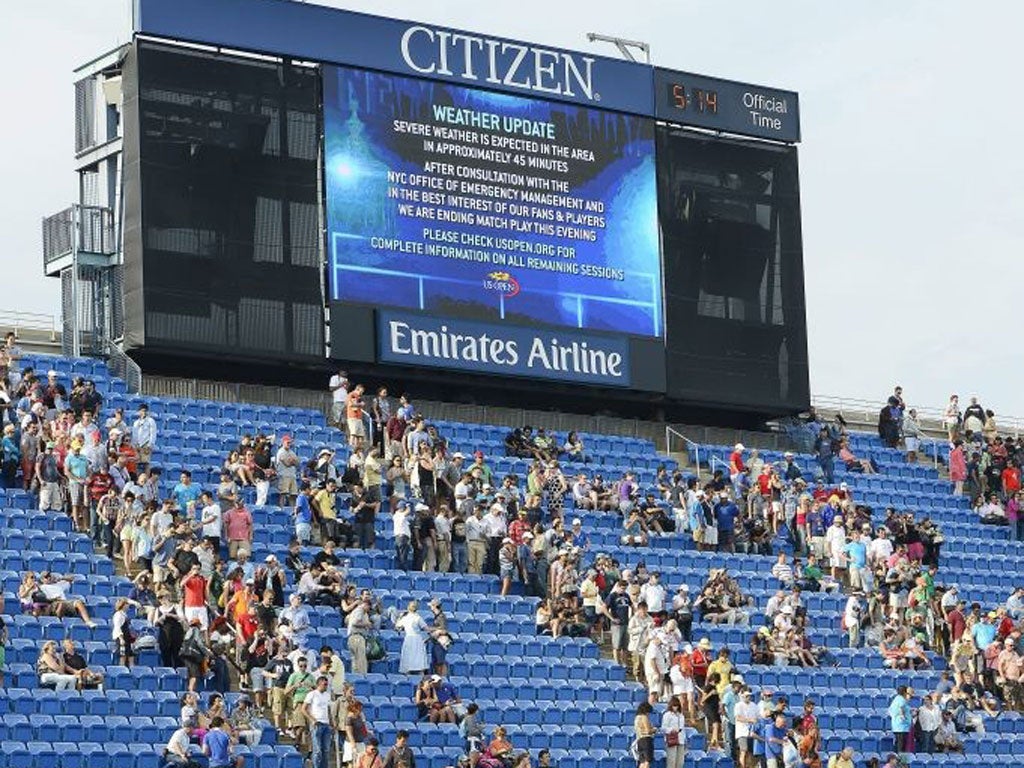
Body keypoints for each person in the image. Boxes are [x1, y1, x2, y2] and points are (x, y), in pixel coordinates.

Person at [304, 675, 334, 768]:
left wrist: (332, 723)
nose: (326, 686)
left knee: (326, 749)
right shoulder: (312, 694)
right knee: (317, 750)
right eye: (324, 684)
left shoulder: (327, 695)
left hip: (326, 724)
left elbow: (328, 710)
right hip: (317, 724)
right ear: (319, 684)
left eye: (327, 684)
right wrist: (313, 720)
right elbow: (303, 709)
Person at [396, 600, 430, 675]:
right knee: (419, 658)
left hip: (409, 638)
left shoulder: (405, 618)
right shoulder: (418, 618)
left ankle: (408, 675)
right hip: (417, 639)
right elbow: (426, 628)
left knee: (409, 656)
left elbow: (397, 626)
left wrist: (400, 617)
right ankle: (421, 675)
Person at [661, 696, 687, 768]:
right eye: (674, 706)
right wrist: (672, 730)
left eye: (677, 706)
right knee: (671, 761)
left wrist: (685, 739)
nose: (675, 707)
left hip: (681, 739)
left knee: (680, 762)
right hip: (671, 739)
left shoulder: (681, 715)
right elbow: (663, 728)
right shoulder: (667, 715)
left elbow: (683, 728)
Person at [888, 685, 912, 754]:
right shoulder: (902, 700)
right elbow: (901, 709)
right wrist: (904, 718)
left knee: (898, 745)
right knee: (902, 747)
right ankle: (902, 762)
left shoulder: (896, 699)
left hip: (897, 726)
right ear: (905, 692)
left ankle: (897, 761)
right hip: (902, 727)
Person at [634, 701, 656, 768]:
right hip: (646, 740)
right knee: (647, 761)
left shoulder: (637, 718)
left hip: (639, 740)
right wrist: (654, 729)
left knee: (642, 761)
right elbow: (648, 731)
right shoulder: (644, 717)